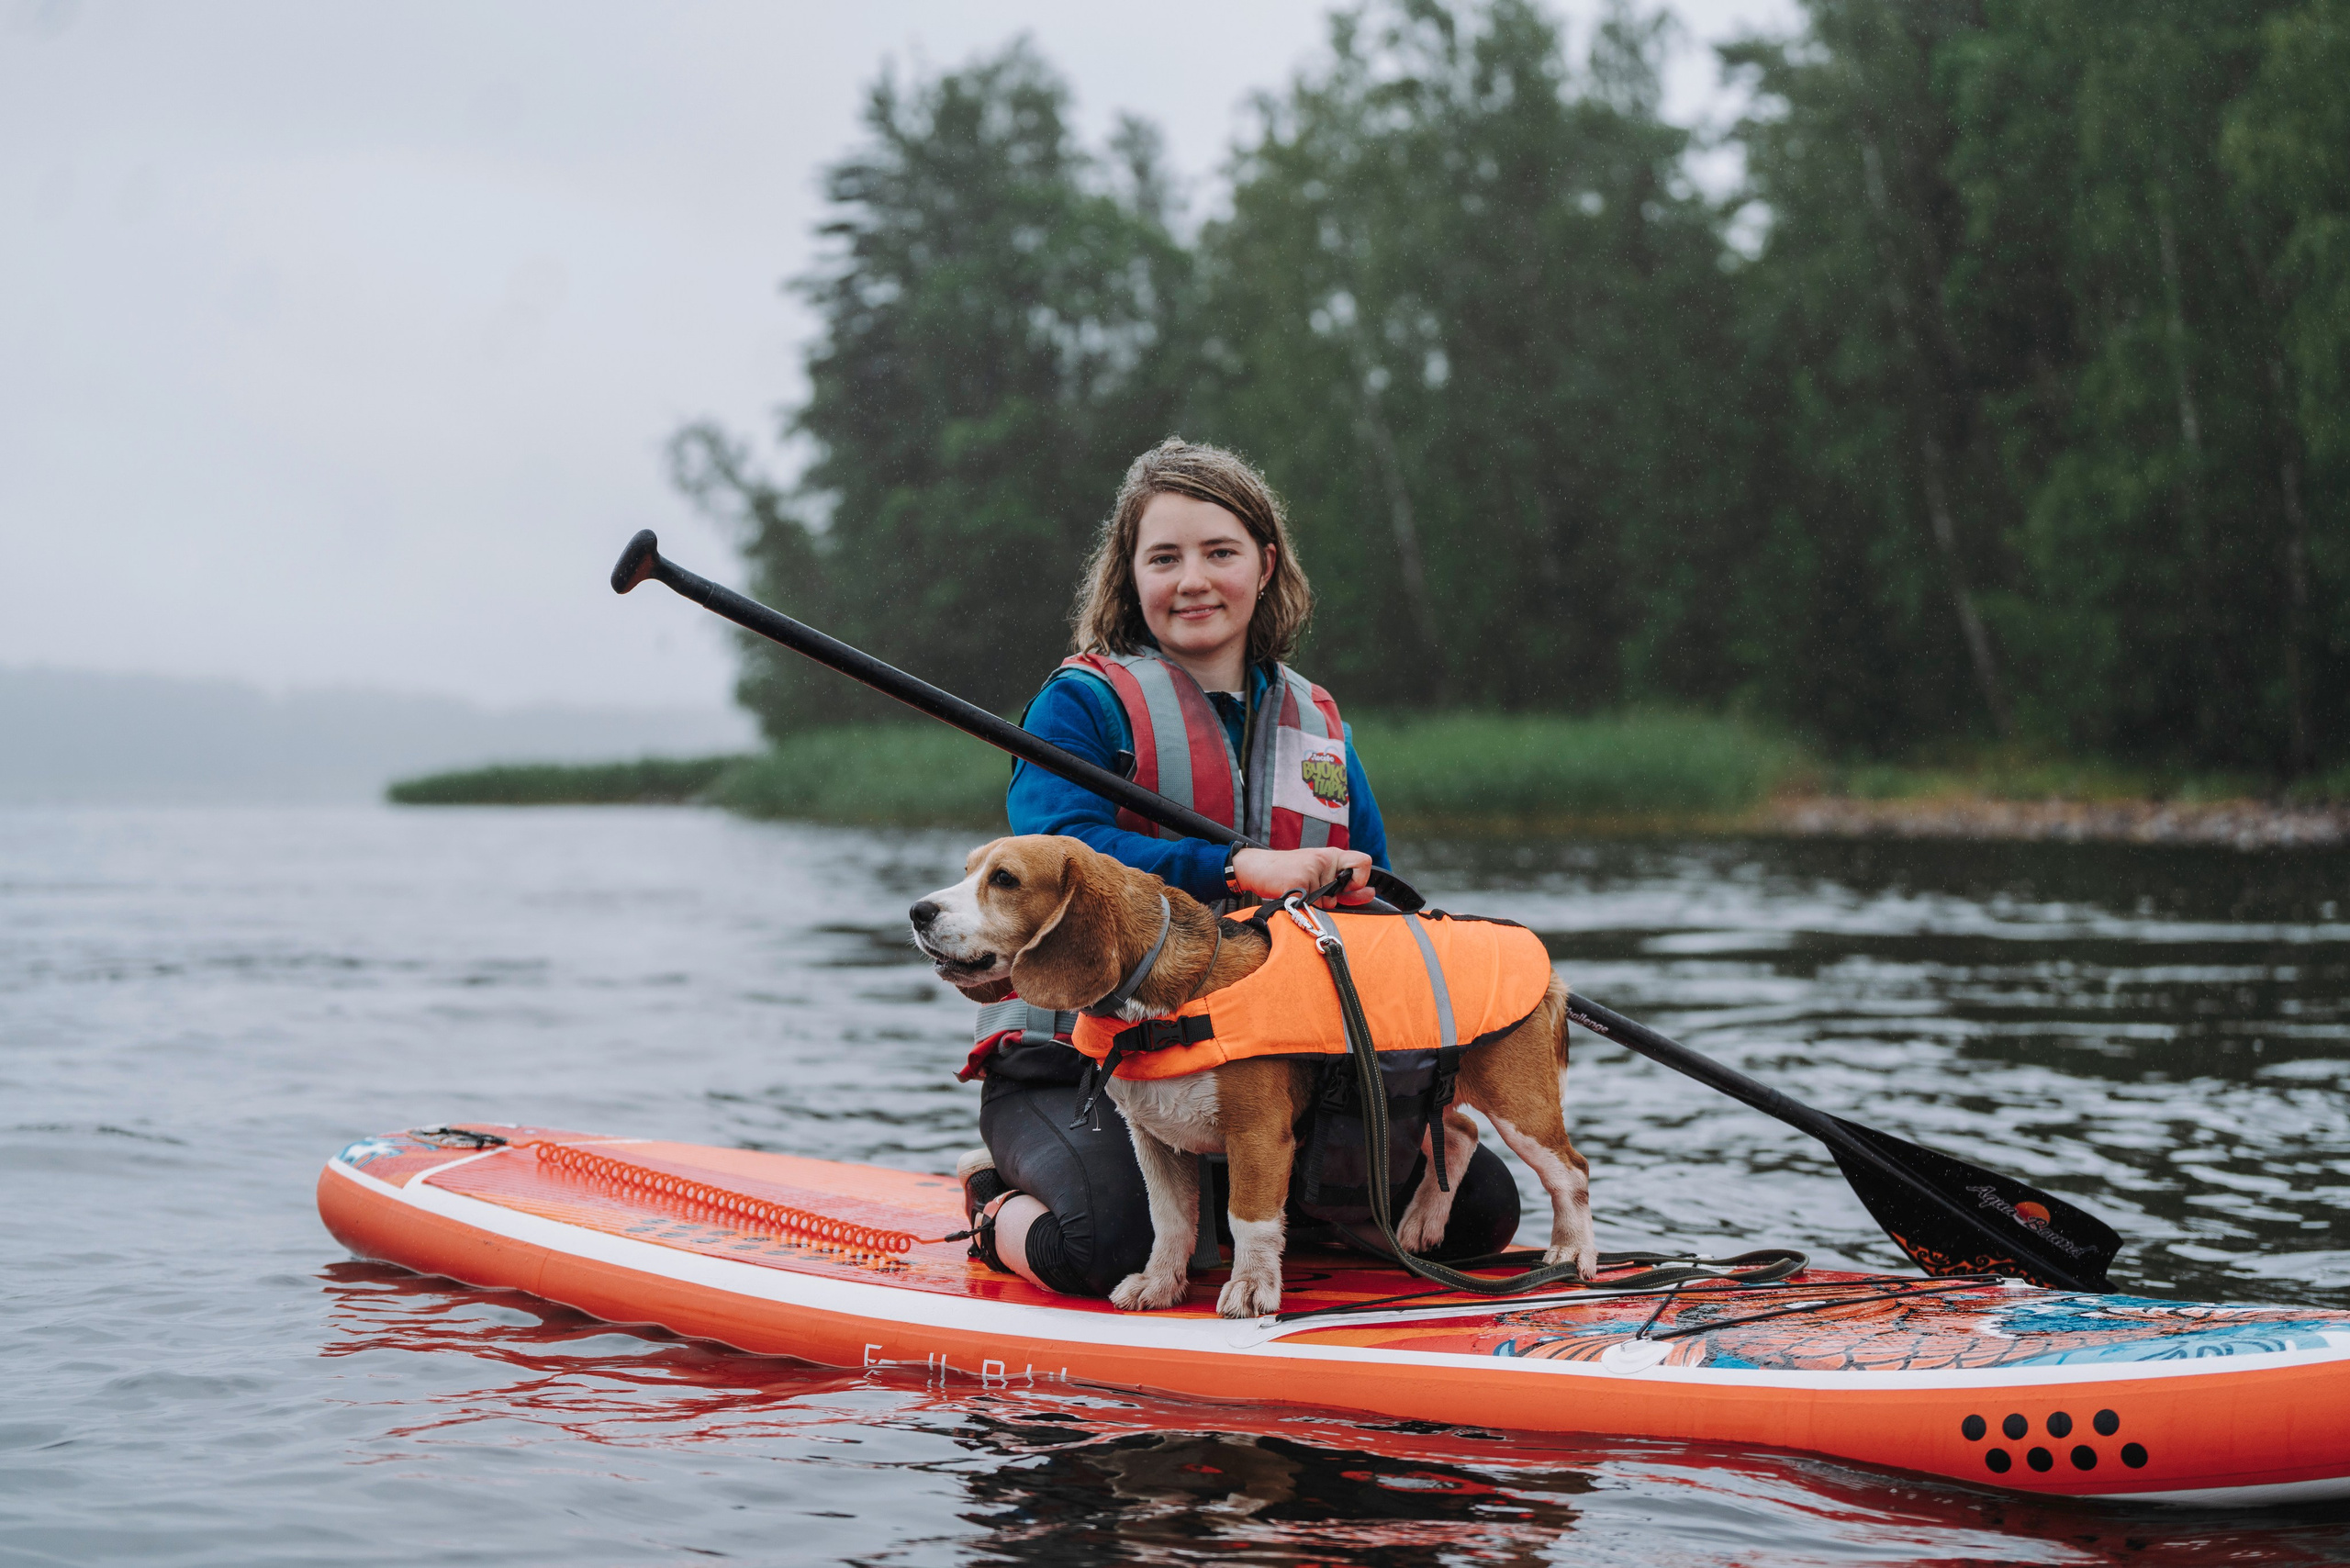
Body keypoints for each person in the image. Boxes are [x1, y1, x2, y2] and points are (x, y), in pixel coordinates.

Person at [955, 437, 1526, 1299]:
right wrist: (1236, 866)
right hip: (1086, 1065)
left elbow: (1380, 896)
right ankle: (993, 1201)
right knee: (1105, 1246)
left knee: (1478, 1210)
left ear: (1265, 565)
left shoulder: (1317, 723)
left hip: (1273, 1070)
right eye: (1164, 558)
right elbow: (1064, 845)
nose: (1193, 580)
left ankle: (1271, 1209)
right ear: (1130, 574)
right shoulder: (1078, 706)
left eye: (1219, 552)